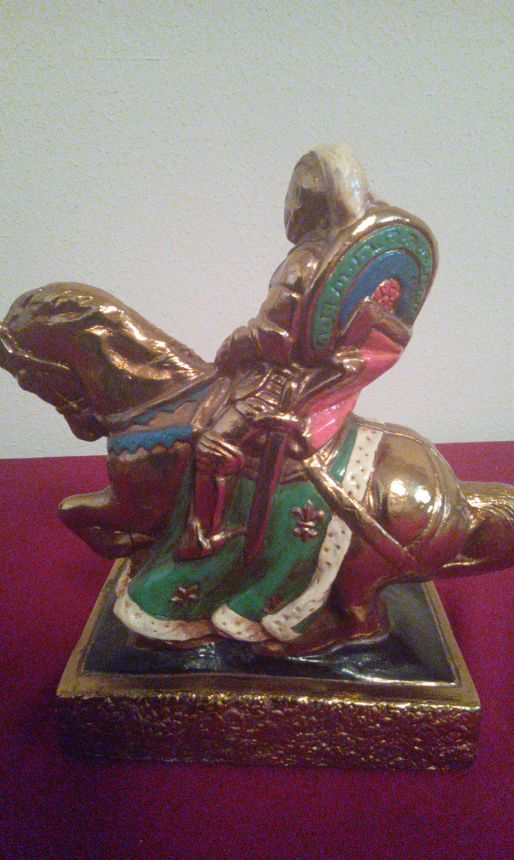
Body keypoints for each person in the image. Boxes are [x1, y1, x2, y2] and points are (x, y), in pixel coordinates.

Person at [176, 144, 375, 560]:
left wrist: (235, 343)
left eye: (293, 197)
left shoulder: (306, 260)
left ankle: (204, 537)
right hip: (308, 374)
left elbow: (276, 337)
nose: (288, 207)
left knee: (210, 445)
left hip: (279, 382)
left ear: (309, 204)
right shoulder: (340, 256)